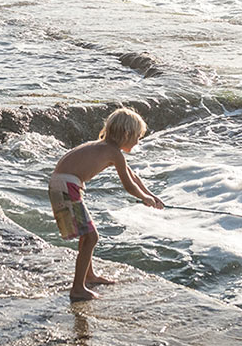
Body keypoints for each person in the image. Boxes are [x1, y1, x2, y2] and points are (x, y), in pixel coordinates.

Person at [48, 107, 164, 301]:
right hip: (67, 187)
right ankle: (78, 289)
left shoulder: (102, 146)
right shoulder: (114, 153)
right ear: (126, 134)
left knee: (86, 235)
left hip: (61, 184)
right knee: (92, 237)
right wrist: (144, 199)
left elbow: (133, 176)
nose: (138, 142)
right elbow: (128, 185)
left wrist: (151, 195)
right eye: (137, 137)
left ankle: (89, 275)